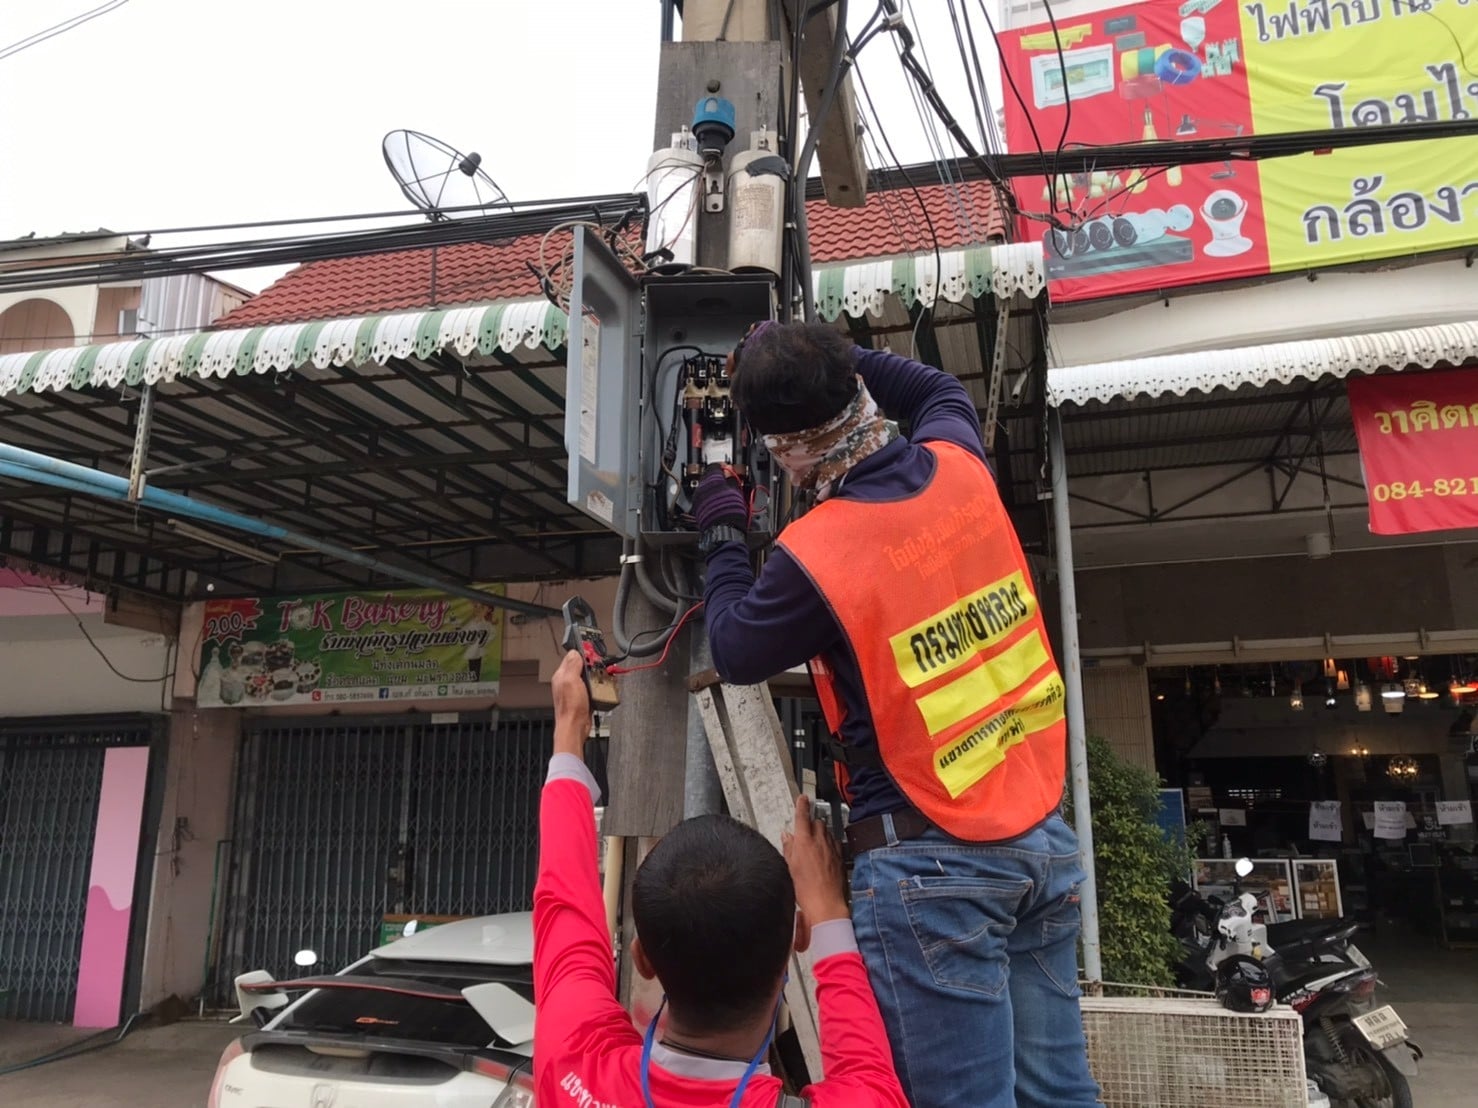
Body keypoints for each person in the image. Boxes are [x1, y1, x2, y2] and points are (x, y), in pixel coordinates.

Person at [691, 321, 1102, 1108]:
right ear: (857, 390)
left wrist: (720, 527)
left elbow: (736, 647)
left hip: (931, 864)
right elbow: (936, 388)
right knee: (1059, 1096)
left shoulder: (819, 552)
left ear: (785, 451)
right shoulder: (959, 465)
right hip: (1040, 840)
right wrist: (821, 355)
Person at [532, 650, 909, 1108]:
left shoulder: (572, 1065)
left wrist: (568, 730)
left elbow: (564, 903)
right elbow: (868, 1070)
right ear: (797, 938)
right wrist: (827, 902)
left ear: (642, 958)